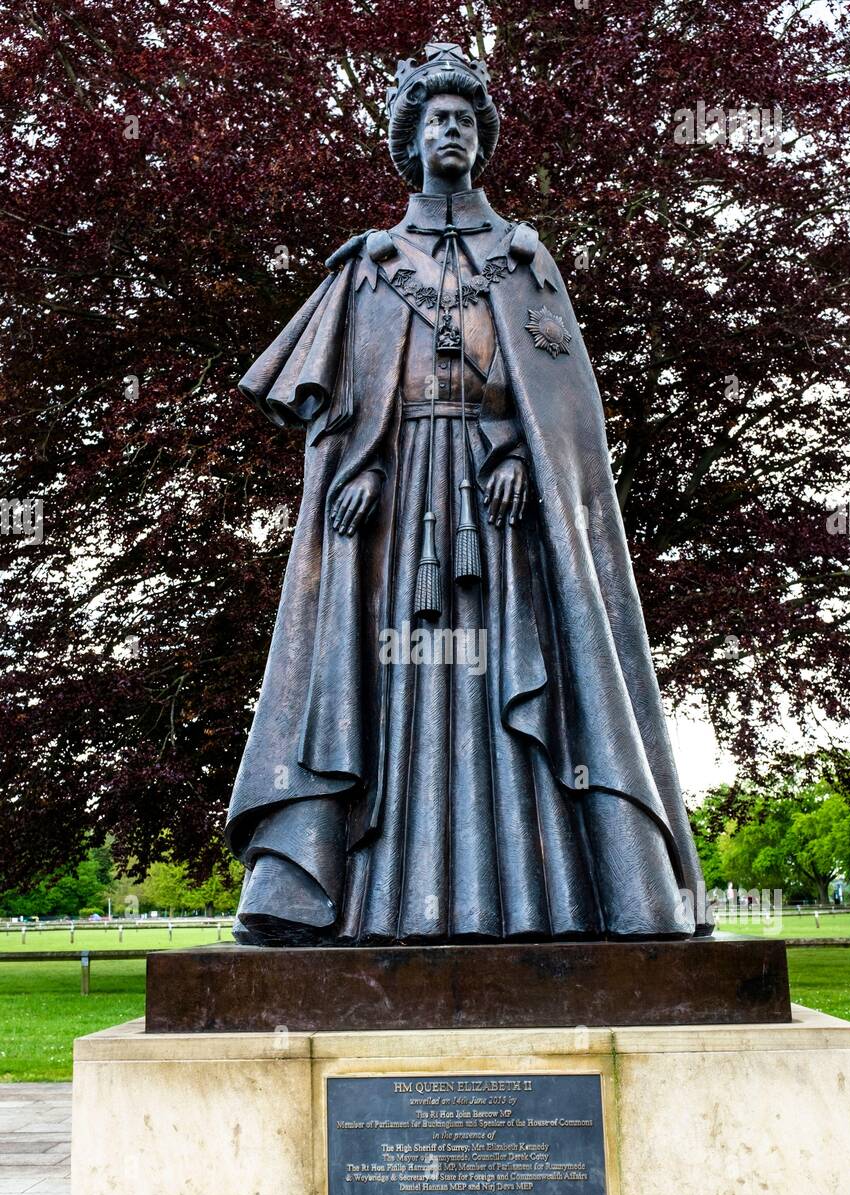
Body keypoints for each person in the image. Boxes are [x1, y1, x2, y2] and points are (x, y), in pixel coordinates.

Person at [227, 42, 709, 946]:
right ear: (410, 139)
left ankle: (555, 901)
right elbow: (349, 398)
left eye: (463, 119)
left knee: (509, 681)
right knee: (392, 679)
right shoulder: (371, 264)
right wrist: (362, 466)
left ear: (479, 139)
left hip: (505, 514)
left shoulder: (523, 257)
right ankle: (356, 900)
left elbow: (561, 408)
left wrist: (518, 450)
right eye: (433, 119)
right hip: (401, 509)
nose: (449, 131)